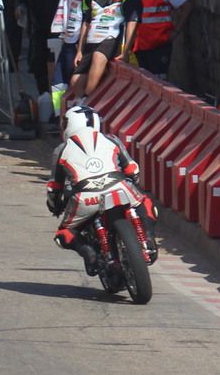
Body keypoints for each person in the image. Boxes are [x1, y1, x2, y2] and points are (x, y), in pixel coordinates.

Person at [45, 104, 149, 275]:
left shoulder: (61, 150)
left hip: (85, 198)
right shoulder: (112, 139)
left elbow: (54, 187)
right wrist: (134, 182)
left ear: (72, 124)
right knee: (146, 203)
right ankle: (149, 240)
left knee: (62, 234)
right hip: (120, 188)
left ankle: (89, 253)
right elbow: (132, 169)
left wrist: (55, 205)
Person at [69, 0, 141, 104]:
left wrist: (126, 51)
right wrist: (79, 50)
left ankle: (87, 101)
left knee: (98, 56)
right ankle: (80, 105)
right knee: (75, 80)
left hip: (111, 39)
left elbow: (132, 25)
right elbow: (86, 23)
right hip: (91, 41)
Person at [124, 0, 191, 77]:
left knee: (159, 80)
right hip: (137, 44)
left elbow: (186, 6)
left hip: (158, 44)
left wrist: (176, 32)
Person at [48, 0, 95, 113]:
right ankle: (59, 115)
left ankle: (76, 115)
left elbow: (87, 21)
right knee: (58, 83)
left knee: (75, 83)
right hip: (67, 41)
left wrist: (81, 49)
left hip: (77, 45)